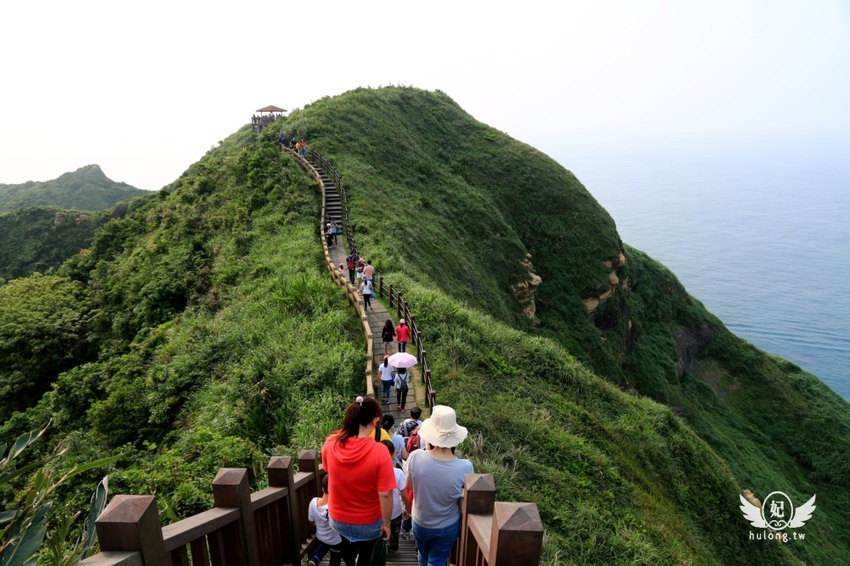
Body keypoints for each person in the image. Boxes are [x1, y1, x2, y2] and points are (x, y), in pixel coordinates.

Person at [321, 396, 395, 566]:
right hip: (369, 523)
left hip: (338, 518)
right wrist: (386, 523)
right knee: (366, 553)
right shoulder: (380, 452)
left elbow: (328, 469)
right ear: (375, 420)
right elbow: (385, 494)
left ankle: (349, 561)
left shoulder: (331, 443)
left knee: (346, 546)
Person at [405, 406, 474, 566]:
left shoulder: (416, 457)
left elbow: (409, 485)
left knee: (423, 554)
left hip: (421, 521)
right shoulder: (465, 467)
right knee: (437, 560)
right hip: (447, 524)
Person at [381, 440, 410, 555]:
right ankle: (392, 549)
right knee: (395, 531)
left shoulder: (373, 471)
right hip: (395, 511)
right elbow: (404, 494)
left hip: (378, 512)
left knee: (380, 533)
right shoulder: (398, 473)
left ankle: (381, 550)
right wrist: (407, 508)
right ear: (393, 454)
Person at [307, 474, 343, 566]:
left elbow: (311, 521)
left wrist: (316, 525)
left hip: (321, 536)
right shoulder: (336, 507)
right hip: (335, 540)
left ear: (323, 489)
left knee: (324, 544)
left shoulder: (313, 502)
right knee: (335, 557)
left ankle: (315, 558)